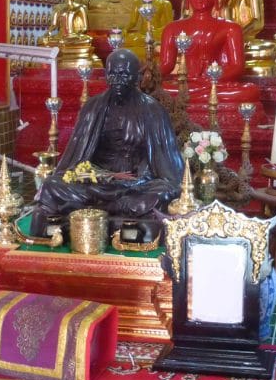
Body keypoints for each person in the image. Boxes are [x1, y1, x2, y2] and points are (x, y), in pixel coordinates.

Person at [30, 48, 184, 243]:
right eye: (112, 73)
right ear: (105, 75)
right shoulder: (93, 107)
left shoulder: (152, 110)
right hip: (96, 181)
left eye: (124, 74)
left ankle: (100, 208)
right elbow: (77, 156)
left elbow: (166, 163)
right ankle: (113, 207)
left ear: (137, 77)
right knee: (53, 185)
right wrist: (91, 177)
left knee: (162, 192)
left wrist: (138, 180)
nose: (117, 79)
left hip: (137, 182)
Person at [38, 0, 99, 68]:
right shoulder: (57, 8)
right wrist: (47, 34)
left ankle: (65, 47)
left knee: (87, 39)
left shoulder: (81, 8)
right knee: (42, 41)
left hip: (74, 37)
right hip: (60, 38)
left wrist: (74, 36)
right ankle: (60, 48)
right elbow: (54, 25)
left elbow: (85, 28)